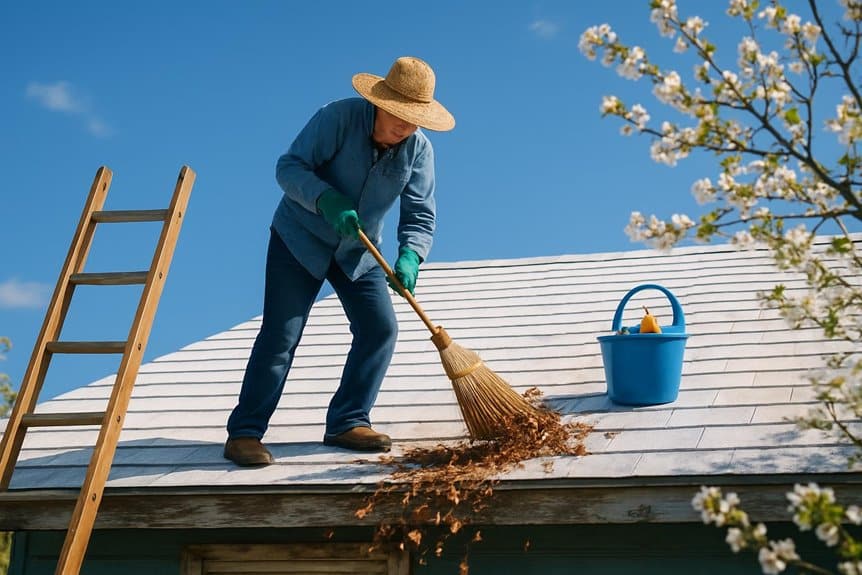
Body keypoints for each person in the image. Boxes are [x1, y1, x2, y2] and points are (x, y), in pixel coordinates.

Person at [223, 56, 455, 467]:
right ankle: (245, 432)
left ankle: (348, 421)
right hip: (299, 238)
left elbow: (420, 213)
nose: (406, 127)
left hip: (358, 251)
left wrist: (411, 255)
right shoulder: (337, 118)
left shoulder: (419, 150)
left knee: (380, 329)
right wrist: (325, 199)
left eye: (415, 120)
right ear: (379, 104)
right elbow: (288, 167)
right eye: (400, 116)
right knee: (281, 334)